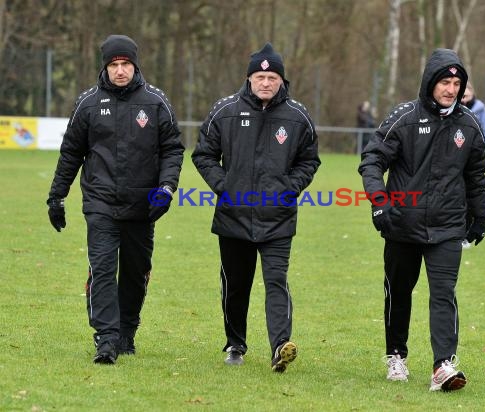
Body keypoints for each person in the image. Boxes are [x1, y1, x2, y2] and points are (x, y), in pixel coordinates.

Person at [46, 34, 184, 364]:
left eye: (125, 64)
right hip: (101, 204)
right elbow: (70, 154)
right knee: (104, 269)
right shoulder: (88, 104)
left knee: (136, 273)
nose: (120, 71)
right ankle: (105, 339)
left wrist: (166, 189)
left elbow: (172, 149)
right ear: (105, 68)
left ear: (135, 66)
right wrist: (56, 197)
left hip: (142, 206)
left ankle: (127, 332)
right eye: (113, 65)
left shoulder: (156, 102)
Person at [358, 48, 485, 391]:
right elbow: (372, 161)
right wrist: (379, 202)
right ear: (430, 82)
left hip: (448, 226)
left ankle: (442, 366)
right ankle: (396, 355)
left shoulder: (470, 125)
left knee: (443, 292)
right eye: (445, 81)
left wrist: (480, 216)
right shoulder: (403, 118)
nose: (451, 88)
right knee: (399, 292)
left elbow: (476, 177)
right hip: (401, 222)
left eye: (457, 82)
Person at [192, 42, 320, 372]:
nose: (266, 82)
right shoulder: (225, 111)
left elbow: (309, 161)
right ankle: (235, 343)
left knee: (276, 281)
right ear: (249, 78)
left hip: (277, 218)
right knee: (236, 286)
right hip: (233, 217)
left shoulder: (297, 116)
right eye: (260, 76)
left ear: (282, 81)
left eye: (272, 76)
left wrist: (290, 188)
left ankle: (280, 346)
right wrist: (225, 186)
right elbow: (203, 155)